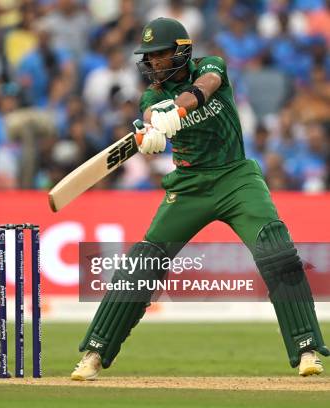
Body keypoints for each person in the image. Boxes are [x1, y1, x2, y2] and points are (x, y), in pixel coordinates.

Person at [70, 17, 329, 380]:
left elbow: (207, 85)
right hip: (189, 185)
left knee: (277, 250)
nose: (153, 63)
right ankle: (94, 353)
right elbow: (147, 113)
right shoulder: (153, 95)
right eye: (149, 57)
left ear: (182, 51)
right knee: (143, 262)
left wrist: (179, 109)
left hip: (236, 177)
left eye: (159, 55)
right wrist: (150, 131)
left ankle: (307, 349)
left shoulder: (210, 65)